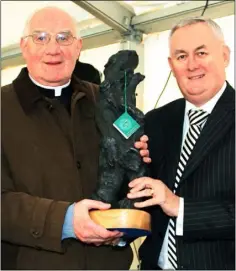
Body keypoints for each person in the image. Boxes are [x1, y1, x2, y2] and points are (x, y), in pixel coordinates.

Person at [1, 6, 150, 270]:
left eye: (63, 38)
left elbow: (127, 174)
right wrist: (66, 221)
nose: (53, 49)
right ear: (24, 47)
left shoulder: (107, 100)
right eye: (41, 38)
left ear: (78, 46)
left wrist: (138, 153)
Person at [127, 17, 235, 270]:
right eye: (181, 56)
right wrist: (133, 165)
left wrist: (179, 206)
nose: (192, 65)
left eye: (201, 52)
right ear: (171, 65)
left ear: (225, 55)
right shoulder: (155, 121)